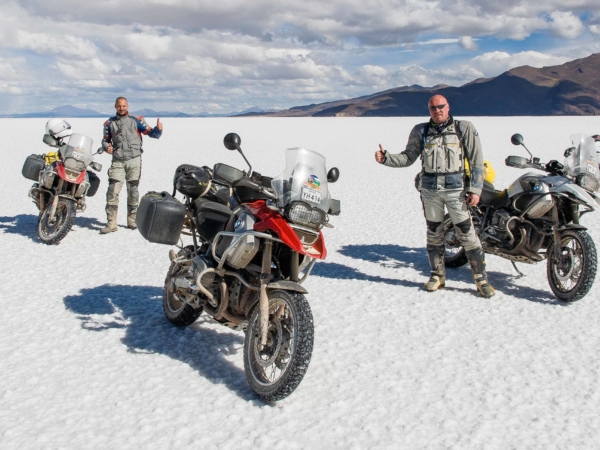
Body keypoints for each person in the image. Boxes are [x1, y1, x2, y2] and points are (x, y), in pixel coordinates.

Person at [374, 94, 495, 298]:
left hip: (456, 192)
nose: (437, 110)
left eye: (440, 106)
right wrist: (387, 158)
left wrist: (475, 189)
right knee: (434, 233)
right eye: (432, 108)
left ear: (448, 107)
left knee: (467, 234)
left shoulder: (463, 128)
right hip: (430, 192)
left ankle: (481, 279)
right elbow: (408, 157)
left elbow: (476, 161)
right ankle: (437, 275)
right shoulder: (421, 131)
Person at [100, 97, 163, 234]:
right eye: (119, 106)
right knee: (112, 190)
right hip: (117, 161)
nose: (121, 108)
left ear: (127, 106)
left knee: (133, 190)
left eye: (124, 106)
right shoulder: (109, 123)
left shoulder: (137, 120)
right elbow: (105, 141)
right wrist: (106, 147)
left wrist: (158, 130)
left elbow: (151, 133)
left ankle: (132, 220)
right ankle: (111, 223)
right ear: (115, 106)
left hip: (134, 160)